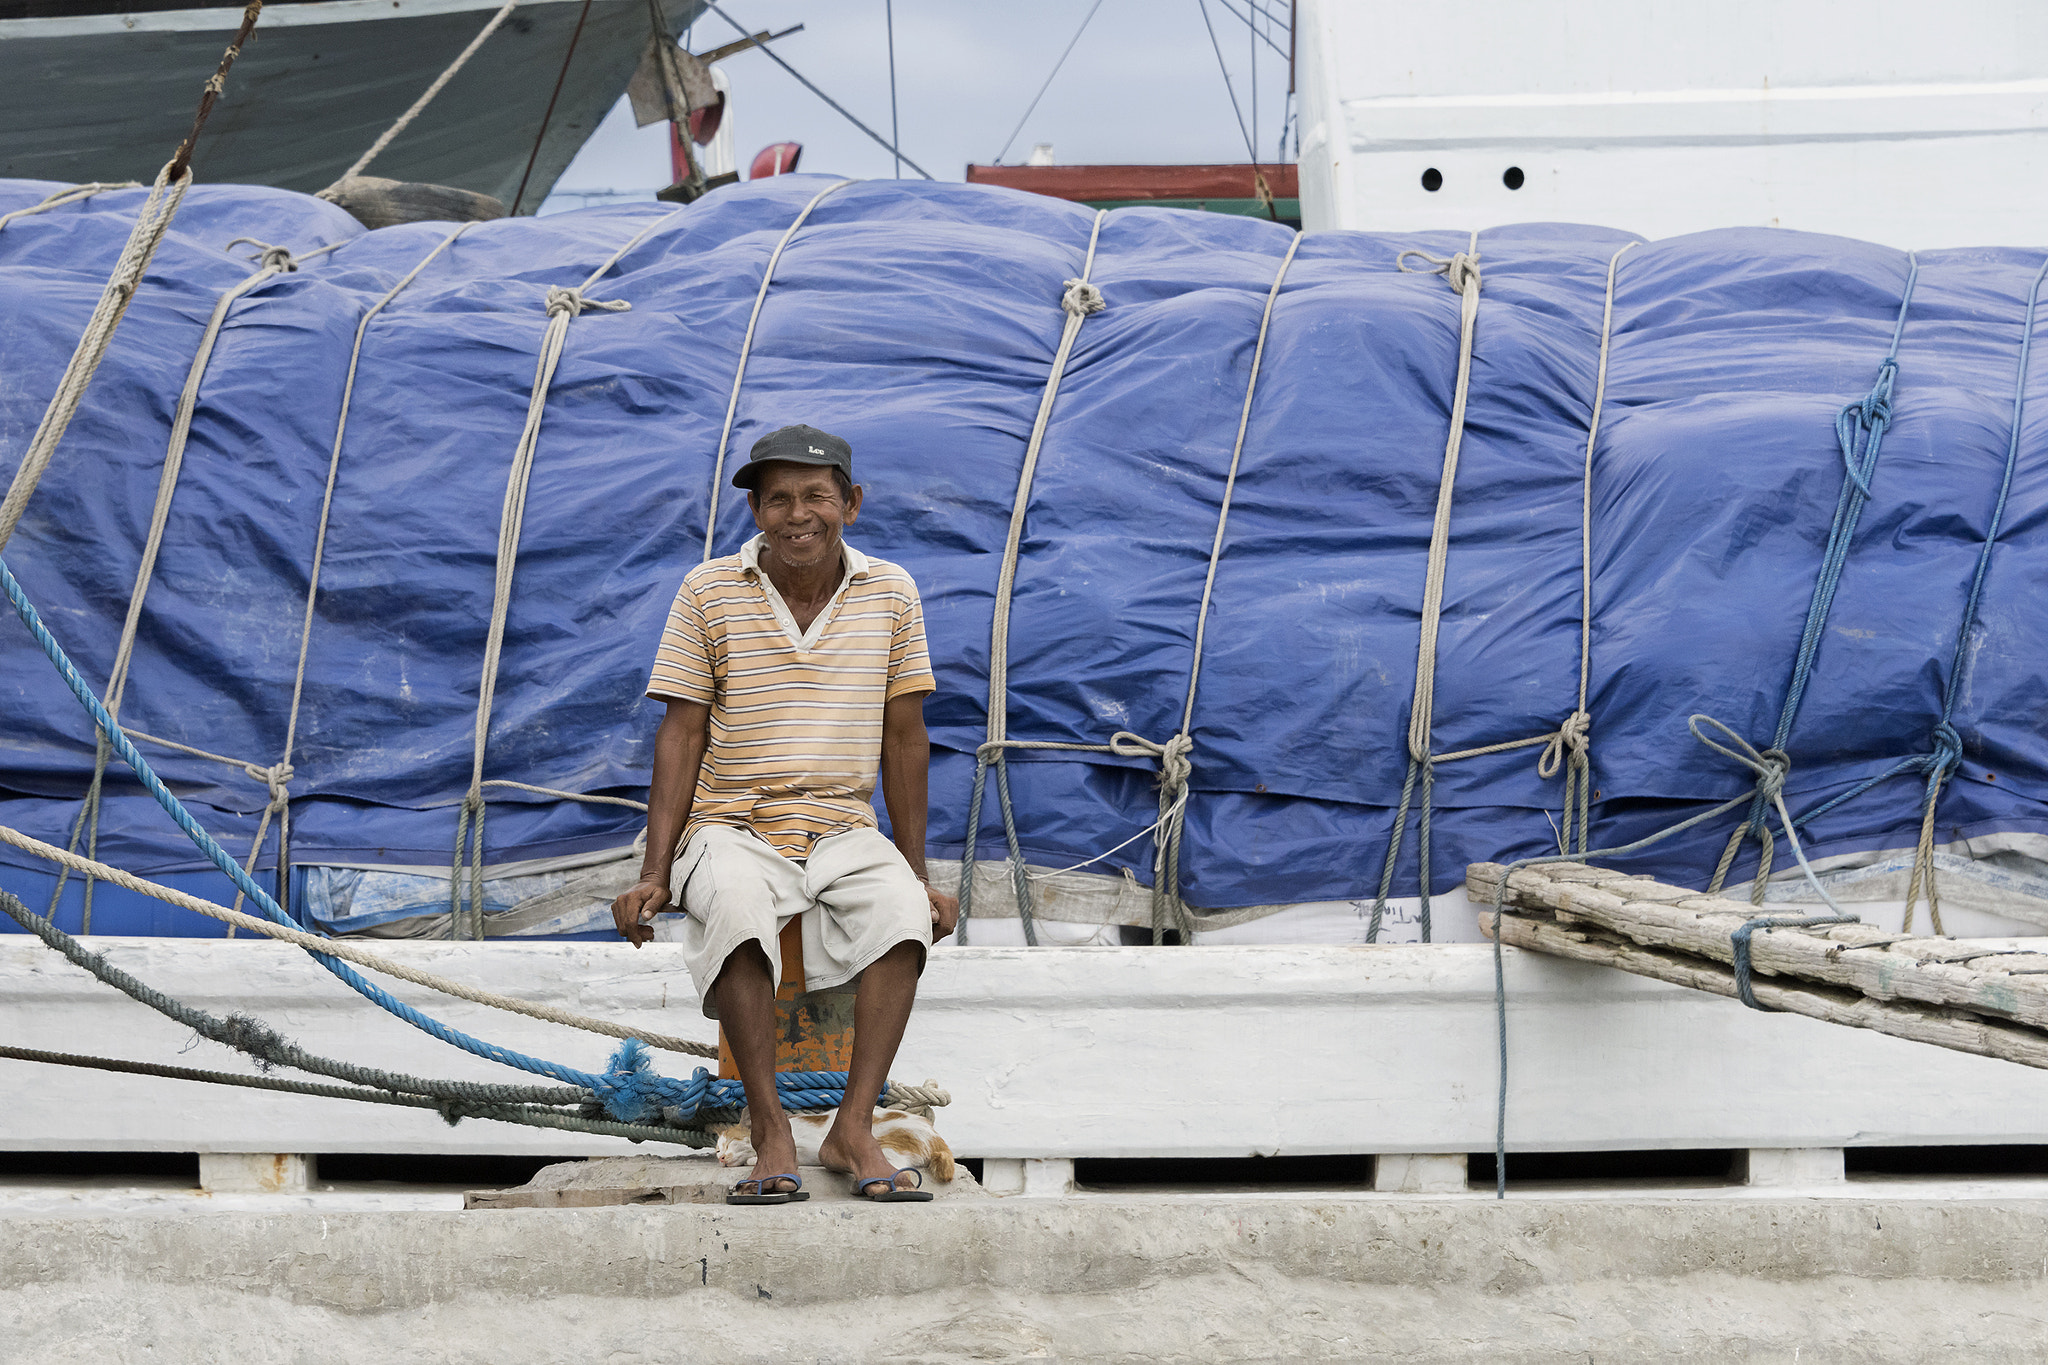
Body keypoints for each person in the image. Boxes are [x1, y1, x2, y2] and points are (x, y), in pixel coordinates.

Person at [611, 423, 960, 1204]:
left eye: (815, 496)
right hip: (729, 823)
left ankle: (852, 1126)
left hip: (841, 824)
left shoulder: (892, 593)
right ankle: (771, 1127)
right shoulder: (708, 590)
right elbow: (682, 732)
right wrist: (653, 872)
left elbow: (906, 739)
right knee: (734, 902)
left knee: (903, 911)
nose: (797, 514)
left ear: (851, 503)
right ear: (757, 512)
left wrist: (919, 872)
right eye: (777, 500)